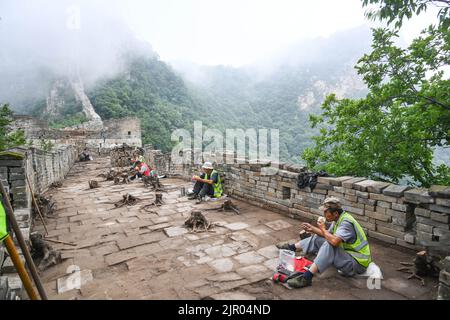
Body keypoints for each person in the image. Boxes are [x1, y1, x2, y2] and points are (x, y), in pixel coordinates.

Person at [276, 196, 372, 288]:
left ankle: (307, 277)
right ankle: (292, 247)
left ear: (335, 213)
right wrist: (313, 229)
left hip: (357, 265)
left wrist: (322, 228)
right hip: (348, 256)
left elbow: (334, 242)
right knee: (319, 238)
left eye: (326, 212)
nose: (324, 214)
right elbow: (326, 235)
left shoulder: (346, 223)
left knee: (329, 244)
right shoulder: (338, 219)